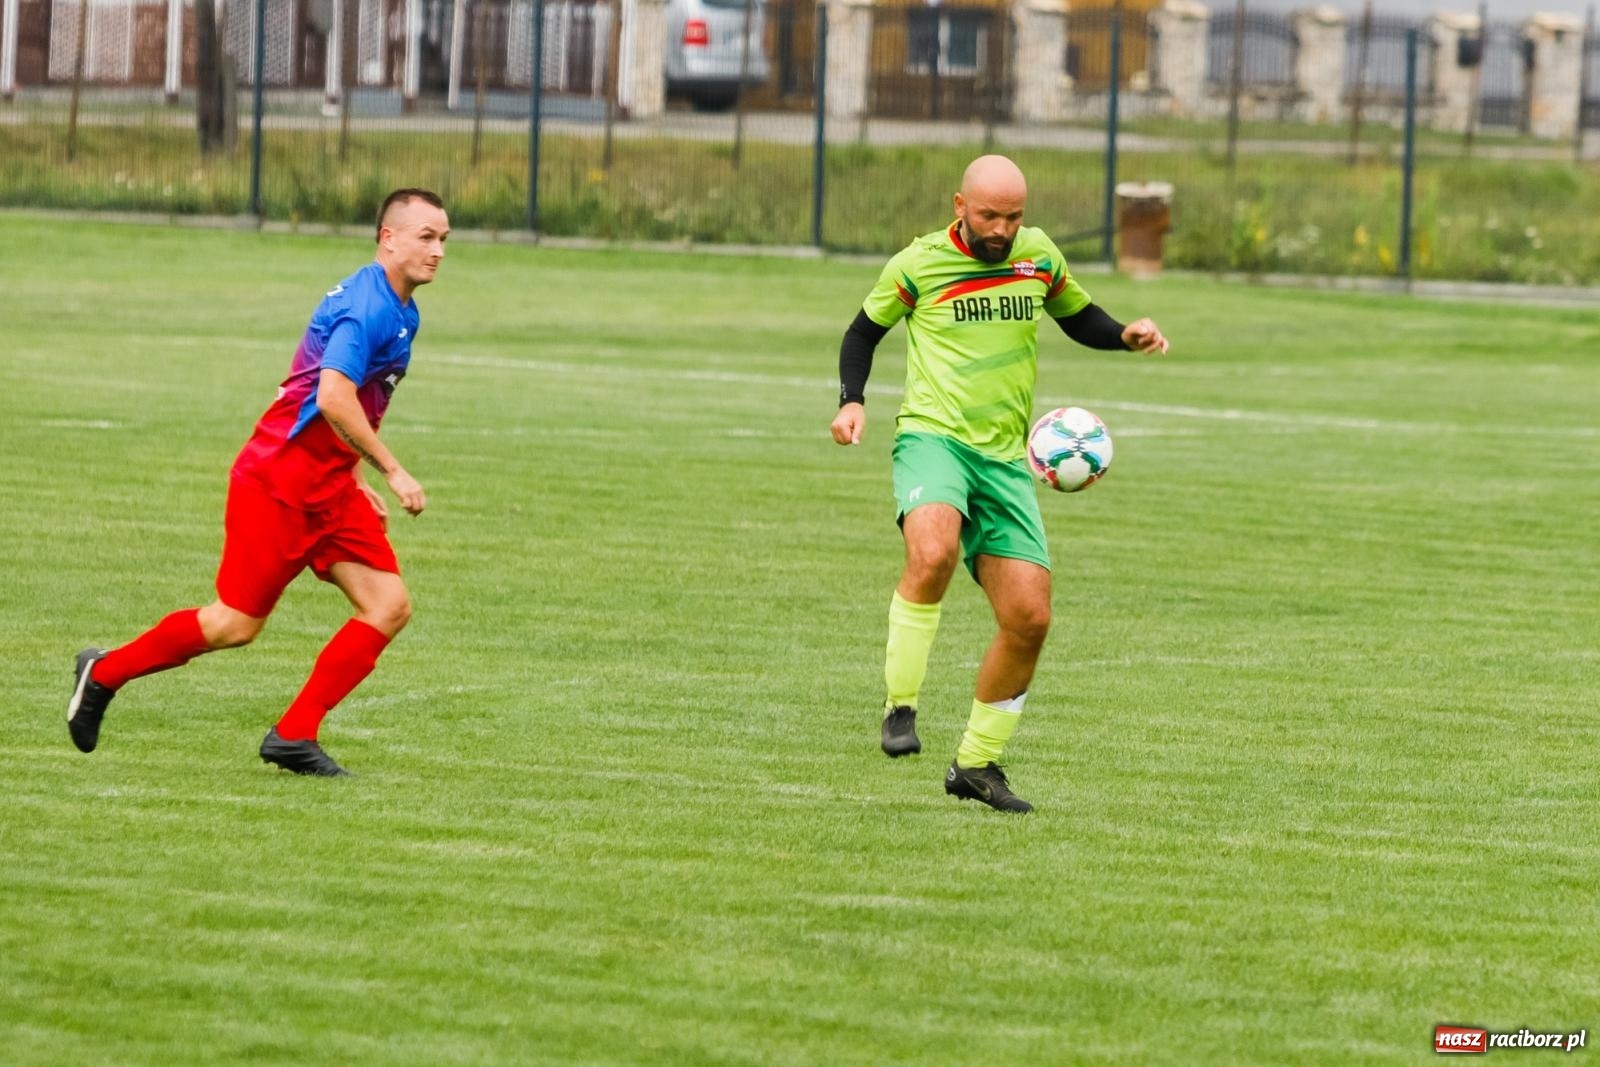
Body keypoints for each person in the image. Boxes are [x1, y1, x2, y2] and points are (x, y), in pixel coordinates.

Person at [66, 188, 450, 777]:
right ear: (388, 238)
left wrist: (349, 471)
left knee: (388, 605)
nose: (438, 250)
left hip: (327, 486)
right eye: (426, 237)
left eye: (444, 239)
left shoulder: (404, 310)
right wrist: (391, 469)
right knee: (234, 625)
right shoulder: (367, 308)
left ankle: (294, 735)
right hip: (280, 484)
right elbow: (333, 396)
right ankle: (106, 672)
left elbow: (360, 403)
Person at [830, 155, 1168, 814]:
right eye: (989, 215)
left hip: (1005, 461)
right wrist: (852, 400)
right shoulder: (919, 263)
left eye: (1013, 216)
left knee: (1030, 618)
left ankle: (977, 764)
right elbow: (862, 331)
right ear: (960, 203)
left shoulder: (1036, 256)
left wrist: (1125, 335)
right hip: (935, 439)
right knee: (933, 553)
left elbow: (1078, 315)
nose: (1002, 229)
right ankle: (901, 706)